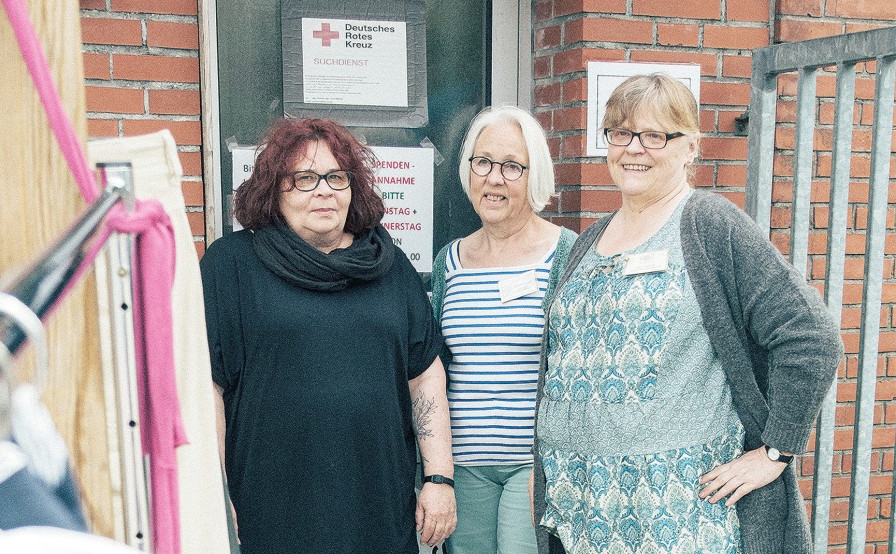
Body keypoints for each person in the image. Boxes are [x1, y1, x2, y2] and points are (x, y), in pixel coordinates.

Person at [531, 73, 843, 554]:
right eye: (621, 132)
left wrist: (776, 451)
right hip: (585, 513)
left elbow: (811, 336)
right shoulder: (589, 241)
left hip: (676, 515)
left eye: (656, 135)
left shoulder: (708, 225)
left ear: (690, 147)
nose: (634, 148)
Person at [200, 117, 457, 553]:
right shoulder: (231, 266)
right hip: (271, 504)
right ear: (273, 190)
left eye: (336, 177)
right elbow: (207, 388)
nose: (324, 190)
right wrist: (212, 493)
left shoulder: (389, 266)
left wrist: (438, 479)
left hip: (377, 502)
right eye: (304, 178)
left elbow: (425, 376)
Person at [429, 105, 577, 554]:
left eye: (511, 166)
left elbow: (577, 368)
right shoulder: (449, 261)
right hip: (464, 464)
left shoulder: (566, 253)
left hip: (532, 464)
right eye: (483, 162)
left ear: (534, 176)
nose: (494, 178)